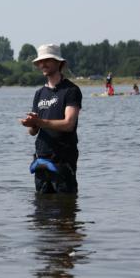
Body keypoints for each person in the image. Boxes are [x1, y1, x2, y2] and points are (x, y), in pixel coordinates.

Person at [21, 44, 82, 194]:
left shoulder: (71, 90)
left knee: (66, 210)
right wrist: (31, 123)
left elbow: (69, 124)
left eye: (47, 60)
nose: (43, 64)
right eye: (40, 61)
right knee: (41, 212)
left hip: (63, 160)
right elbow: (33, 132)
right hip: (41, 160)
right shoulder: (39, 93)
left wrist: (40, 122)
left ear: (58, 63)